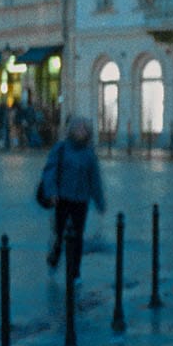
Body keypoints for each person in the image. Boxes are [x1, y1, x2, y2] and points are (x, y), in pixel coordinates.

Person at [40, 116, 106, 282]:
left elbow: (95, 179)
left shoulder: (89, 154)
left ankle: (75, 271)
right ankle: (54, 259)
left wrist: (99, 201)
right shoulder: (61, 148)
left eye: (84, 129)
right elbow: (50, 172)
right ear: (71, 130)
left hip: (81, 200)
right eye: (78, 128)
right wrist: (51, 192)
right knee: (59, 234)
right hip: (61, 198)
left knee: (77, 236)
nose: (81, 131)